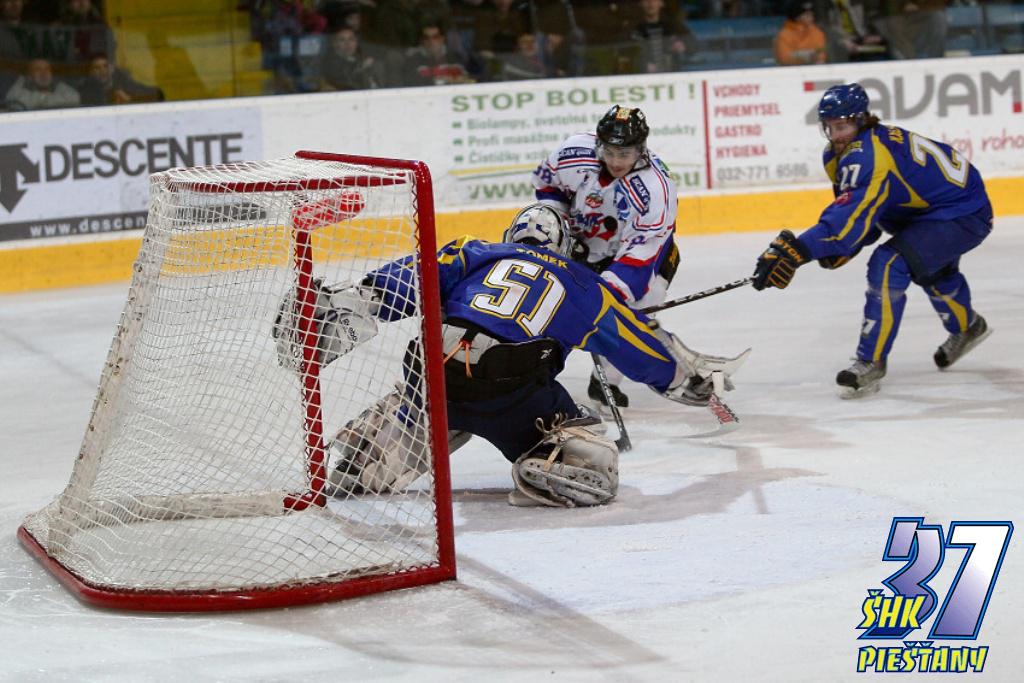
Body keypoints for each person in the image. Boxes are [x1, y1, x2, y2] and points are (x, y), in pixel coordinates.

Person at [274, 204, 740, 507]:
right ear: (564, 248)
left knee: (437, 371)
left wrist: (357, 299)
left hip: (432, 383)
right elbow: (637, 348)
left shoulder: (475, 252)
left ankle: (374, 451)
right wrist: (683, 380)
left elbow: (411, 277)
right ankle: (556, 457)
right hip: (511, 399)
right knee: (593, 452)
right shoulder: (584, 286)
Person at [751, 83, 993, 397]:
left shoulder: (868, 156)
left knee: (890, 263)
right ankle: (968, 327)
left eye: (842, 126)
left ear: (862, 120)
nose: (836, 135)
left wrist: (798, 251)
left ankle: (870, 360)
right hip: (931, 210)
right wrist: (844, 243)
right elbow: (862, 214)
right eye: (830, 127)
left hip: (962, 213)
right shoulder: (841, 154)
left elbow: (847, 220)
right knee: (930, 269)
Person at [531, 105, 680, 410]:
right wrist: (562, 229)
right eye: (609, 151)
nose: (615, 161)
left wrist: (603, 298)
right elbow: (546, 184)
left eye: (624, 154)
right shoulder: (573, 152)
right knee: (548, 304)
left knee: (637, 308)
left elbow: (639, 258)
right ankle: (530, 378)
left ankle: (605, 383)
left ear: (641, 149)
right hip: (582, 244)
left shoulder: (655, 189)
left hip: (639, 256)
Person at [78, 54, 164, 106]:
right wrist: (111, 97)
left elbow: (156, 94)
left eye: (105, 66)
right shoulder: (87, 90)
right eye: (97, 67)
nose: (102, 70)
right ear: (90, 72)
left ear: (111, 68)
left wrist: (130, 99)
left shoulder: (124, 82)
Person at [4, 57, 80, 110]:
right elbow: (13, 102)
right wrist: (43, 97)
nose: (43, 73)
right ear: (30, 75)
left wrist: (38, 100)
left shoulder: (57, 84)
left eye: (47, 68)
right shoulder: (22, 83)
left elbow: (74, 98)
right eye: (38, 69)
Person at [774, 0, 827, 65]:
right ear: (797, 16)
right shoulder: (784, 35)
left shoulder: (817, 33)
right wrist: (806, 57)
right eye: (806, 14)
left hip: (814, 69)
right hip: (792, 70)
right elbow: (784, 58)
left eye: (811, 14)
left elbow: (821, 55)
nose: (810, 16)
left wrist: (817, 57)